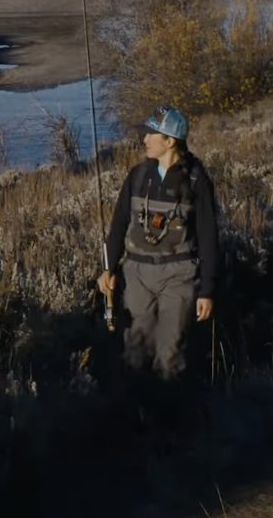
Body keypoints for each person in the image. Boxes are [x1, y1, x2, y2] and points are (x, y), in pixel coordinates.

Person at [96, 104, 220, 382]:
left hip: (179, 276)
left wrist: (207, 289)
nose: (144, 139)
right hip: (136, 274)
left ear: (170, 141)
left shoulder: (196, 179)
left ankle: (169, 415)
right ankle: (137, 413)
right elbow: (118, 225)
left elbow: (209, 235)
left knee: (170, 352)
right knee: (135, 351)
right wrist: (108, 268)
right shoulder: (137, 176)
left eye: (151, 134)